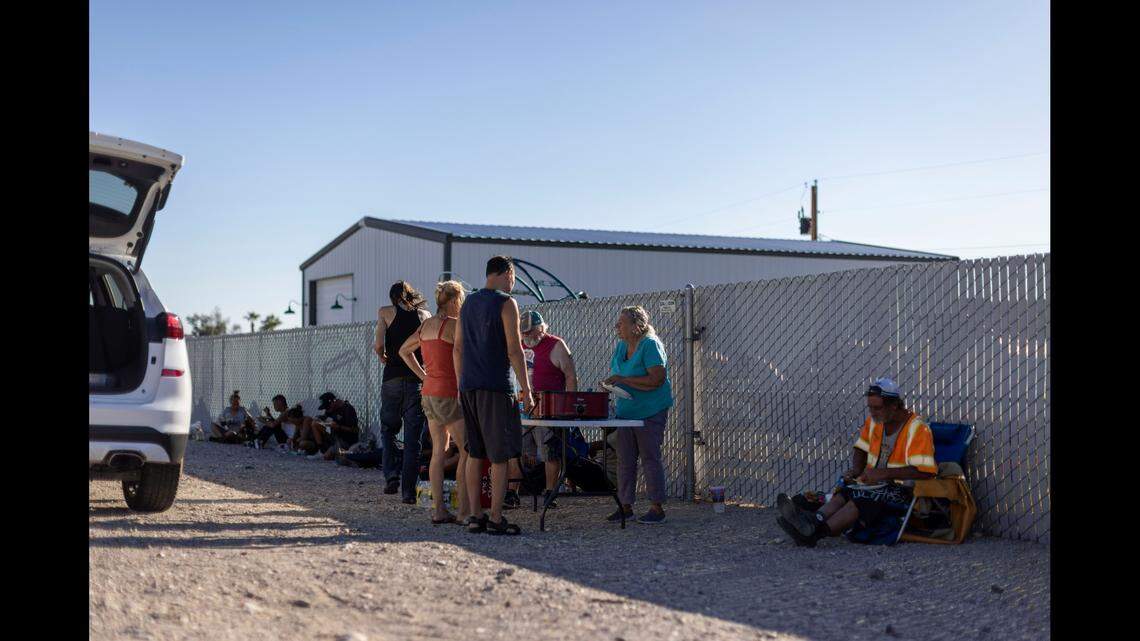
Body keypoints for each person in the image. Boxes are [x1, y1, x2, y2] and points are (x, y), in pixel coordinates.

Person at [776, 378, 938, 547]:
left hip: (904, 492)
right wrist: (856, 470)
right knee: (846, 491)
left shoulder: (918, 428)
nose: (872, 412)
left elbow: (925, 472)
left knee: (862, 500)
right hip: (877, 484)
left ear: (894, 405)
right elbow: (861, 448)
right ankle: (813, 521)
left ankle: (815, 533)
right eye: (870, 407)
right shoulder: (875, 422)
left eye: (877, 408)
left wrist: (883, 474)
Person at [454, 256, 534, 535]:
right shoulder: (506, 303)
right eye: (513, 277)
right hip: (496, 387)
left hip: (469, 386)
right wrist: (526, 389)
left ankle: (475, 515)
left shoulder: (468, 303)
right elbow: (514, 349)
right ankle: (496, 517)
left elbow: (458, 347)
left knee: (474, 452)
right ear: (507, 273)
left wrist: (461, 384)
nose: (513, 282)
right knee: (499, 456)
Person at [398, 280, 471, 525]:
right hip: (450, 393)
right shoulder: (455, 325)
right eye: (461, 300)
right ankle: (464, 511)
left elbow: (403, 351)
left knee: (438, 451)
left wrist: (424, 376)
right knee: (467, 451)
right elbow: (463, 358)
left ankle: (439, 510)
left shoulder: (426, 325)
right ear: (454, 300)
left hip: (429, 392)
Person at [602, 306, 673, 524]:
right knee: (625, 459)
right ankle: (625, 506)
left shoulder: (650, 344)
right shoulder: (621, 346)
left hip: (650, 410)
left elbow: (657, 379)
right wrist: (611, 384)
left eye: (622, 323)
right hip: (626, 412)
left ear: (636, 326)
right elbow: (619, 374)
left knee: (650, 457)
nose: (617, 326)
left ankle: (657, 508)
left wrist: (623, 381)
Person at [513, 310, 579, 508]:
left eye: (530, 331)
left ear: (541, 328)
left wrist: (570, 404)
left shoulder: (556, 345)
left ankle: (550, 492)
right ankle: (512, 492)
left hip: (548, 408)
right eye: (523, 332)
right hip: (523, 407)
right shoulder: (519, 344)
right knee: (519, 452)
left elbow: (570, 375)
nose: (526, 335)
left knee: (549, 451)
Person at [375, 281, 432, 501]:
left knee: (388, 430)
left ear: (392, 297)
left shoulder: (385, 312)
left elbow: (378, 344)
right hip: (416, 380)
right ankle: (408, 492)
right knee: (413, 439)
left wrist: (382, 356)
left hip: (392, 378)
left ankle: (391, 475)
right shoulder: (425, 315)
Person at [315, 391, 361, 461]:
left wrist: (339, 427)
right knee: (315, 423)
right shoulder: (331, 409)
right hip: (335, 436)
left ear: (333, 402)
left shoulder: (347, 409)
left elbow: (355, 430)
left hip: (346, 440)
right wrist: (322, 419)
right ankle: (321, 450)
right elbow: (326, 417)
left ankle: (342, 453)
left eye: (327, 407)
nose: (327, 410)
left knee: (329, 457)